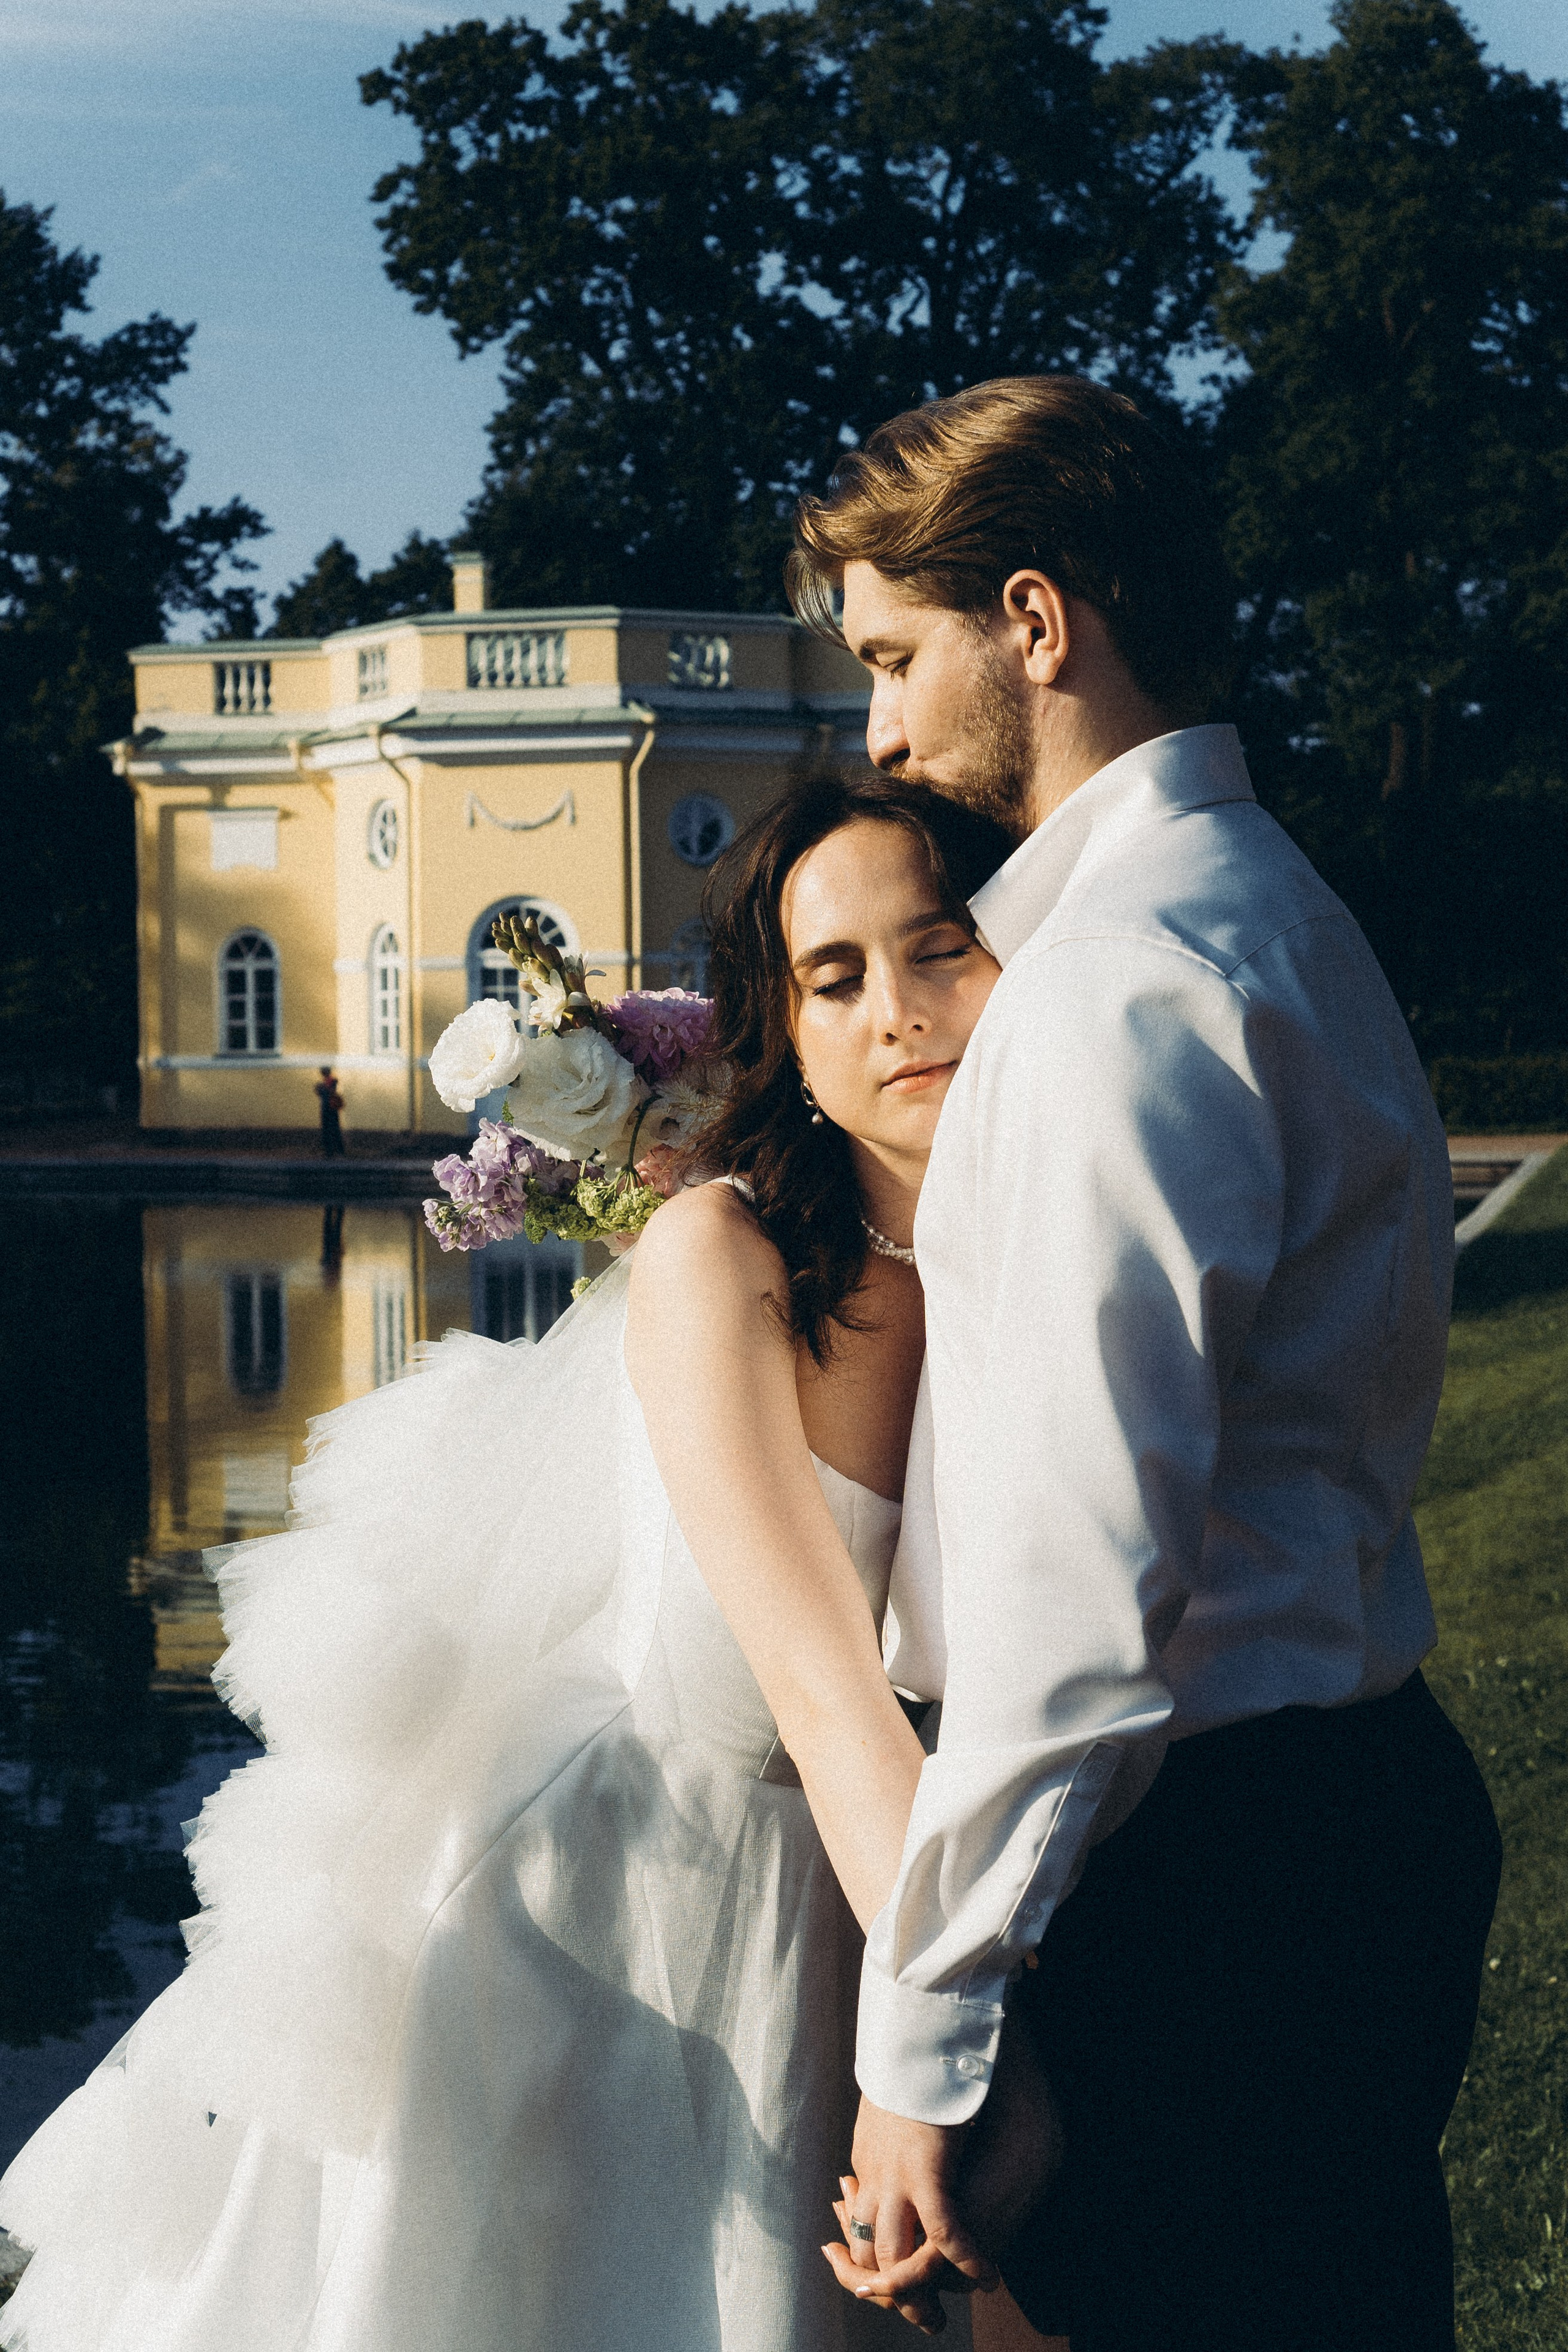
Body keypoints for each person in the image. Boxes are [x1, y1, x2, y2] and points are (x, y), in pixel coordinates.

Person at [0, 775, 1019, 2352]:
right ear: (787, 1038)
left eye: (938, 947)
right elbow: (825, 1699)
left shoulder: (1015, 1255)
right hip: (597, 1921)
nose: (895, 1012)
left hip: (834, 1896)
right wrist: (973, 2051)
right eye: (833, 977)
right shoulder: (716, 1255)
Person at [788, 377, 1503, 2350]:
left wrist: (920, 2045)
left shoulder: (1118, 985)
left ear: (1034, 621)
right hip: (1342, 1800)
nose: (878, 731)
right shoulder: (1279, 911)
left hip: (1210, 1879)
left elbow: (1077, 1596)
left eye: (896, 656)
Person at [314, 1065, 345, 1157]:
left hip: (330, 1108)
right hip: (329, 1108)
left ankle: (332, 1151)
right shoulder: (326, 1083)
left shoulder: (332, 1082)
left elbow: (329, 1092)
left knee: (331, 1130)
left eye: (323, 1072)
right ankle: (336, 1150)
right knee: (332, 1129)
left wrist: (322, 1088)